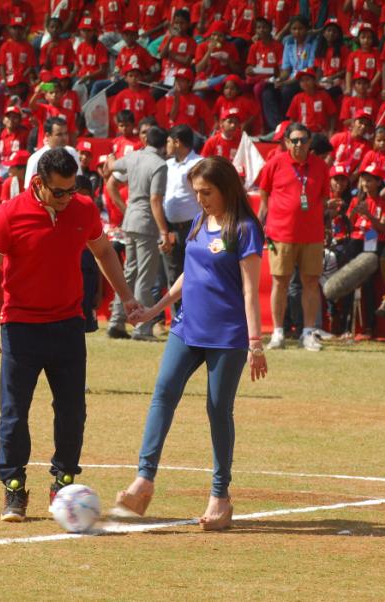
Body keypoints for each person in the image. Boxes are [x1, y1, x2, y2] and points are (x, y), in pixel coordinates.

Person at [0, 148, 140, 522]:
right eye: (59, 192)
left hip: (68, 326)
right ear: (38, 184)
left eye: (72, 189)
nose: (68, 199)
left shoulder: (82, 209)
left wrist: (126, 297)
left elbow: (104, 252)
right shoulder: (8, 214)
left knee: (72, 412)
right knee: (14, 413)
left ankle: (63, 482)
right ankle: (14, 489)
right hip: (19, 328)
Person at [114, 157, 267, 529]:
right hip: (187, 328)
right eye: (196, 192)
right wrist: (155, 311)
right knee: (162, 394)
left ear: (226, 188)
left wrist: (255, 343)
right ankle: (144, 480)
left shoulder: (245, 228)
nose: (200, 199)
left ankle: (220, 497)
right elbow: (189, 274)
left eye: (206, 192)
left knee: (218, 411)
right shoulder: (200, 221)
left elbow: (250, 289)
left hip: (227, 335)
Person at [258, 122, 330, 351]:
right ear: (287, 142)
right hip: (281, 233)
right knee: (280, 282)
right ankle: (278, 332)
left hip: (312, 235)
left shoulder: (320, 166)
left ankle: (308, 332)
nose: (299, 144)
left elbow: (324, 198)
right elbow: (264, 193)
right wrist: (261, 225)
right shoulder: (275, 163)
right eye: (295, 140)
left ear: (310, 143)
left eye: (304, 140)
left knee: (311, 282)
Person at [105, 126, 169, 341]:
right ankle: (141, 327)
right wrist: (163, 230)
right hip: (146, 223)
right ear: (162, 145)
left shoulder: (133, 156)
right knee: (145, 276)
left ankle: (116, 320)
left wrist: (111, 155)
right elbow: (155, 200)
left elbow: (111, 166)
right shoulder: (159, 164)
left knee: (129, 272)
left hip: (129, 219)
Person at [161, 125, 202, 314]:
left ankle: (195, 315)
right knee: (173, 274)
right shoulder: (167, 165)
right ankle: (178, 319)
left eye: (169, 140)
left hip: (194, 228)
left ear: (177, 142)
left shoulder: (199, 164)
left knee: (195, 274)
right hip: (170, 228)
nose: (166, 144)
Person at [23, 116, 80, 188]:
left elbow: (78, 180)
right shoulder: (36, 158)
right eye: (59, 134)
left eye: (66, 133)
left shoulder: (72, 152)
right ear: (47, 135)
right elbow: (29, 188)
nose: (64, 138)